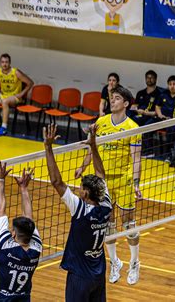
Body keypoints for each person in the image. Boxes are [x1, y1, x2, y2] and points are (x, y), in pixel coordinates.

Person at [75, 86, 142, 285]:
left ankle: (134, 263)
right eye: (111, 98)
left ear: (126, 103)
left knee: (129, 224)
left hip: (124, 180)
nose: (112, 101)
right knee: (108, 224)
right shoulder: (101, 122)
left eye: (117, 98)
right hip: (102, 181)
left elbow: (136, 158)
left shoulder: (133, 127)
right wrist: (82, 166)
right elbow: (92, 149)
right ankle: (114, 262)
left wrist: (136, 183)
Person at [44, 123, 112, 301]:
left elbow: (56, 181)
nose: (78, 189)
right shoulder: (106, 205)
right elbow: (100, 173)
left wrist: (48, 147)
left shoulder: (81, 209)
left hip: (80, 276)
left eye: (80, 188)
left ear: (86, 193)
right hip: (98, 272)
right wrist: (93, 144)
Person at [0, 162, 42, 301]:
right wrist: (23, 188)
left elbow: (0, 210)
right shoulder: (36, 247)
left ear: (13, 234)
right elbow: (29, 219)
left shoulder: (5, 246)